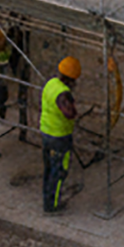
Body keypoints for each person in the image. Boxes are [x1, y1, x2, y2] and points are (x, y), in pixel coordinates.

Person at [39, 56, 81, 212]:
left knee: (49, 169)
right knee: (59, 172)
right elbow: (69, 113)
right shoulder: (63, 93)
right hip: (60, 137)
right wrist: (74, 111)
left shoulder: (51, 83)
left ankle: (46, 199)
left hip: (46, 133)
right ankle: (52, 206)